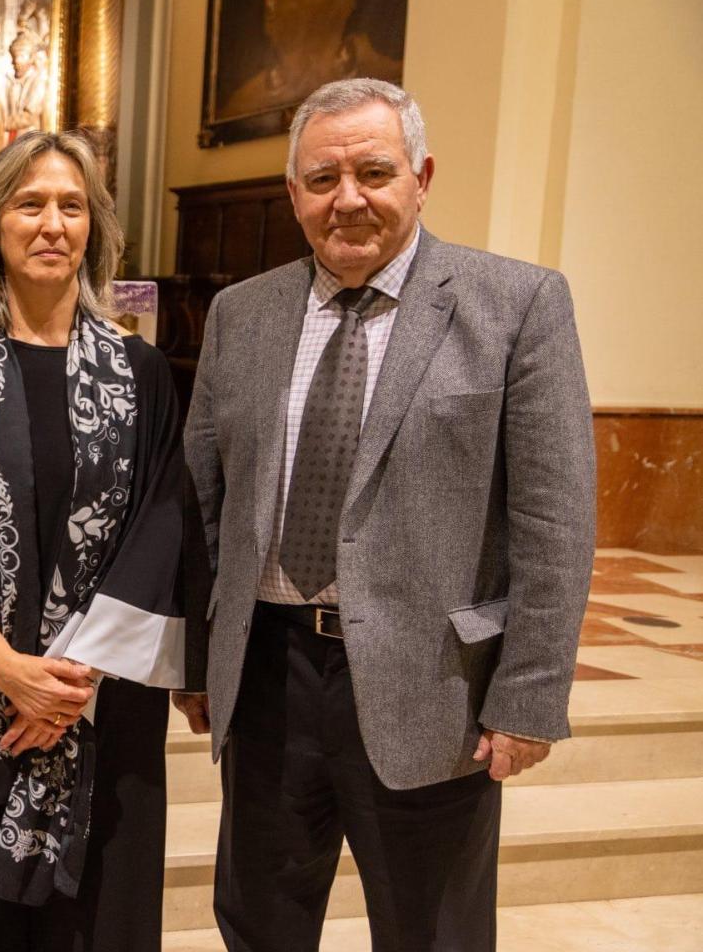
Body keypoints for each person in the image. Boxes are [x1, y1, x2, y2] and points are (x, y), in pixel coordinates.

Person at [179, 78, 595, 952]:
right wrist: (197, 655)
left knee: (430, 931)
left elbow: (555, 523)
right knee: (259, 922)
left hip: (433, 685)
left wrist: (527, 695)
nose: (349, 199)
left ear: (421, 176)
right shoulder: (240, 315)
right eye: (323, 180)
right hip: (267, 673)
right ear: (293, 194)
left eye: (374, 172)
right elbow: (203, 501)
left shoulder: (516, 305)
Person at [0, 130, 207, 952]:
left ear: (94, 230)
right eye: (30, 204)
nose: (52, 223)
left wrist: (66, 685)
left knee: (93, 923)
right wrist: (13, 672)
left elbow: (161, 529)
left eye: (71, 206)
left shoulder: (141, 372)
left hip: (102, 703)